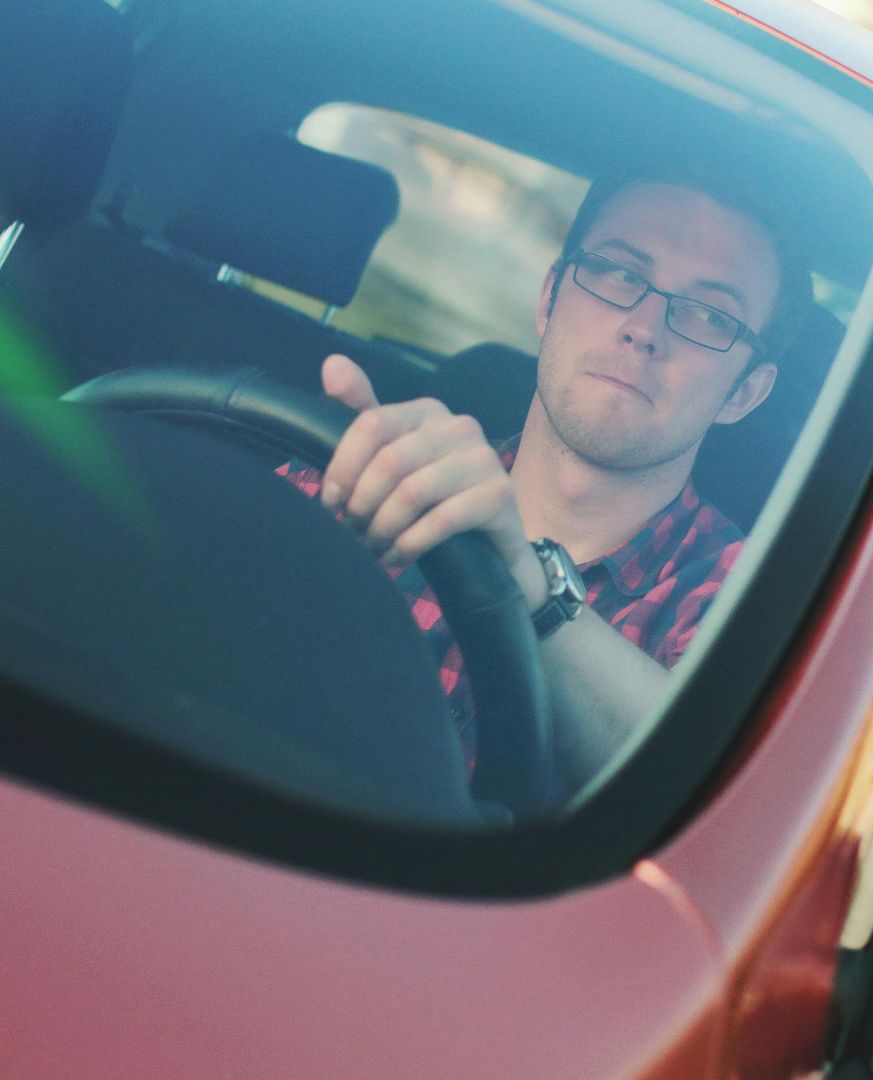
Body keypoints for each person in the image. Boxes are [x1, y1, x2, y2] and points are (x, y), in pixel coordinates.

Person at [283, 169, 801, 795]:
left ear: (744, 392)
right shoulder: (373, 471)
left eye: (711, 316)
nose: (645, 328)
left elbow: (709, 800)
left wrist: (531, 586)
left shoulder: (757, 606)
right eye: (620, 274)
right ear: (550, 298)